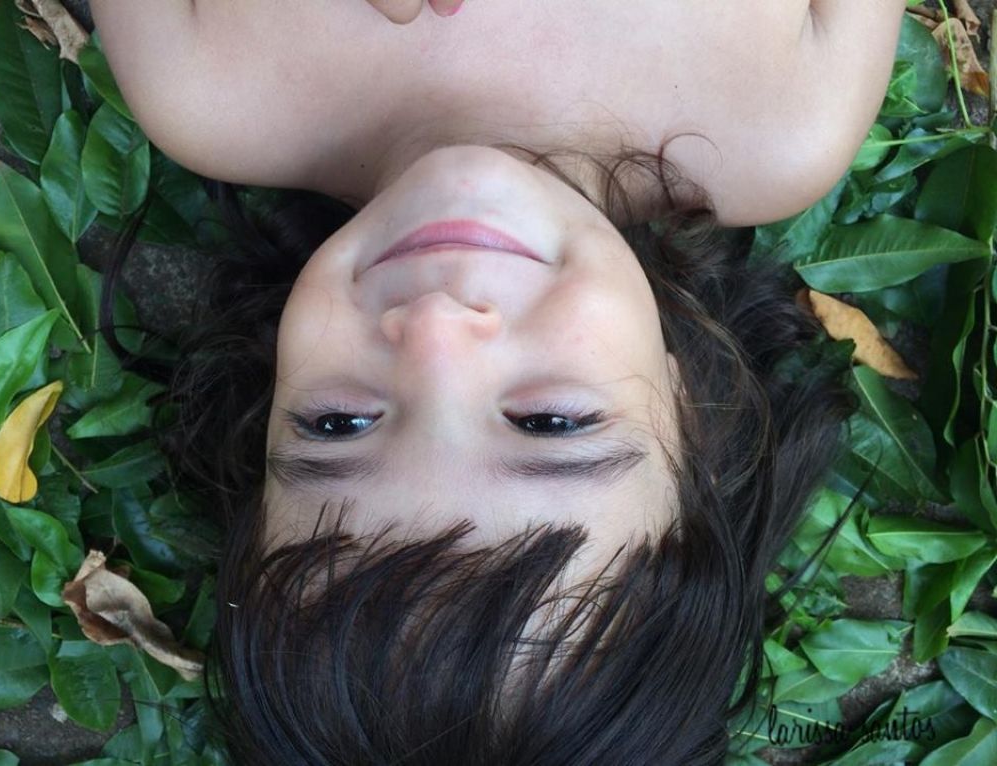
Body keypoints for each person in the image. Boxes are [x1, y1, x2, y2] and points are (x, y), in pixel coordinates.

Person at [90, 1, 907, 763]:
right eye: (549, 422)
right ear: (691, 416)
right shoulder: (780, 116)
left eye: (339, 424)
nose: (437, 332)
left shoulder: (206, 81)